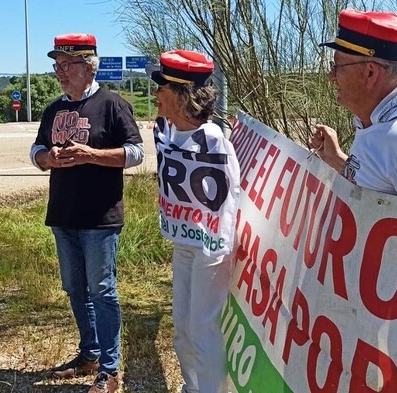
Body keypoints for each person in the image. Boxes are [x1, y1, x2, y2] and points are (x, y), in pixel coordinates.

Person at [29, 33, 144, 393]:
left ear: (88, 65)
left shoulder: (112, 104)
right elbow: (36, 150)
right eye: (57, 66)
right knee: (74, 288)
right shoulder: (52, 110)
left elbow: (136, 153)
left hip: (100, 217)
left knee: (103, 290)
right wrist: (47, 159)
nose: (60, 72)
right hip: (62, 214)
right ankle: (89, 353)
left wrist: (92, 155)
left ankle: (109, 370)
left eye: (67, 65)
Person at [148, 50, 240, 393]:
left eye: (162, 87)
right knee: (183, 329)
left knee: (203, 329)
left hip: (210, 247)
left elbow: (227, 201)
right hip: (184, 241)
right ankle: (192, 386)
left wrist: (218, 247)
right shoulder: (169, 130)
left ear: (183, 94)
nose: (155, 93)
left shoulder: (215, 140)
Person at [310, 9, 397, 198]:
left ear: (370, 73)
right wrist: (337, 159)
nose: (331, 77)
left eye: (338, 66)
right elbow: (379, 182)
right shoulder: (378, 120)